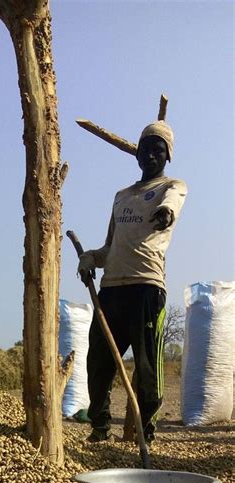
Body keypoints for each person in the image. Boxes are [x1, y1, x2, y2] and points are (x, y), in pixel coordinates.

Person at [78, 120, 187, 444]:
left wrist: (165, 213)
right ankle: (99, 428)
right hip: (111, 289)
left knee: (146, 366)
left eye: (159, 150)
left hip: (146, 287)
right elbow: (109, 247)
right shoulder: (121, 196)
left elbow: (173, 204)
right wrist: (89, 259)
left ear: (167, 156)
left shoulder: (173, 186)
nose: (151, 155)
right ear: (137, 155)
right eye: (146, 149)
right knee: (98, 361)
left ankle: (145, 431)